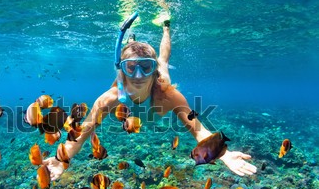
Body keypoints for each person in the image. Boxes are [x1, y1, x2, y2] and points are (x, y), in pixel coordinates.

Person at [43, 15, 257, 179]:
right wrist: (63, 158)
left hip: (161, 79)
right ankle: (131, 41)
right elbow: (81, 133)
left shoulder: (170, 96)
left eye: (146, 67)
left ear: (153, 72)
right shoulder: (110, 98)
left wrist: (223, 153)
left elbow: (198, 129)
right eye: (131, 68)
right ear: (122, 70)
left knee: (163, 59)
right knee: (140, 55)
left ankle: (165, 26)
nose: (138, 76)